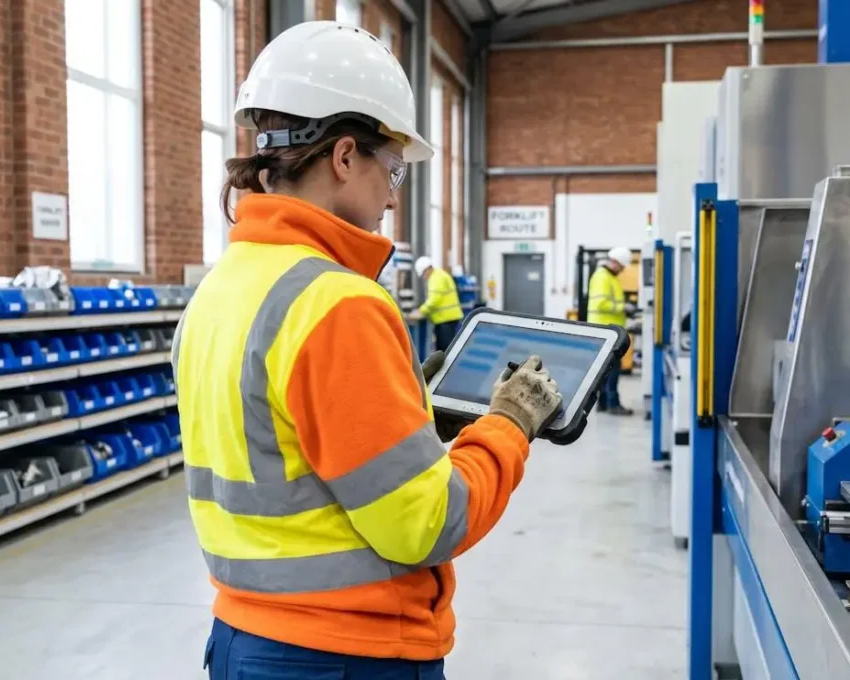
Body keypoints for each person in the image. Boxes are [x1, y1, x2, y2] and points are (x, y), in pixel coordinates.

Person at [172, 22, 564, 680]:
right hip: (347, 655)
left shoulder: (222, 289)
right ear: (345, 156)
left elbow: (283, 449)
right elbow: (426, 525)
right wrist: (509, 424)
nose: (393, 193)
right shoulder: (337, 303)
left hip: (245, 640)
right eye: (393, 167)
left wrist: (410, 420)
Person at [588, 246, 634, 415]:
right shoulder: (603, 277)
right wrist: (624, 307)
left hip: (608, 330)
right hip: (606, 331)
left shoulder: (609, 277)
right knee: (613, 369)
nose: (622, 271)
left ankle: (604, 403)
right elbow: (601, 304)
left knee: (606, 370)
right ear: (616, 262)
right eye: (622, 267)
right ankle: (613, 404)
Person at [408, 255, 464, 352]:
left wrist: (421, 311)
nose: (424, 278)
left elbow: (434, 300)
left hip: (446, 320)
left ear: (427, 269)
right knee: (446, 349)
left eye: (423, 274)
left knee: (445, 351)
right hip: (447, 319)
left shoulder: (436, 278)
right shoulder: (440, 275)